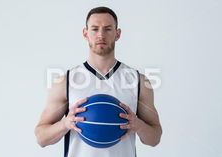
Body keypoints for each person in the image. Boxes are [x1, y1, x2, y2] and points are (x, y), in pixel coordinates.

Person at [34, 6, 162, 157]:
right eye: (94, 29)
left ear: (118, 34)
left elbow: (155, 138)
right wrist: (65, 124)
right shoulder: (66, 81)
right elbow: (41, 137)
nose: (101, 35)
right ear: (85, 33)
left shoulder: (139, 81)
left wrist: (137, 125)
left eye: (108, 29)